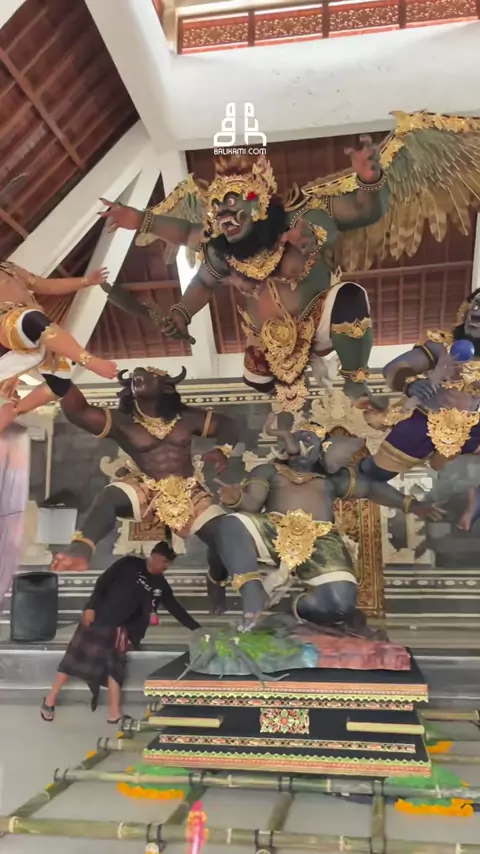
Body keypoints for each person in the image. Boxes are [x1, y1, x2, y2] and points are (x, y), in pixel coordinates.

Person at [99, 111, 480, 412]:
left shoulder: (310, 212)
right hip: (266, 342)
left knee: (350, 295)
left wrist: (370, 178)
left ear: (259, 201)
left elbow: (366, 211)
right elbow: (197, 267)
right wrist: (180, 312)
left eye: (231, 202)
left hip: (321, 320)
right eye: (216, 206)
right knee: (259, 384)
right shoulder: (220, 246)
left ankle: (355, 381)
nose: (220, 212)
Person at [50, 365, 239, 574]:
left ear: (165, 386)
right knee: (111, 495)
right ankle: (79, 551)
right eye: (135, 377)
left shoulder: (187, 417)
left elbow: (229, 425)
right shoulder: (122, 422)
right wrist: (58, 369)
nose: (138, 376)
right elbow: (78, 412)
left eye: (147, 376)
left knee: (226, 535)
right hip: (147, 487)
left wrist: (223, 449)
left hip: (189, 492)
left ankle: (217, 577)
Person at [41, 541, 200, 723]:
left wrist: (197, 629)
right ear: (154, 556)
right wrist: (91, 606)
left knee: (115, 670)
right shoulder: (129, 564)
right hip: (99, 620)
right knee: (72, 662)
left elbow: (175, 608)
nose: (166, 566)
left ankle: (114, 713)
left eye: (169, 563)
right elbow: (103, 582)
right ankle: (49, 700)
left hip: (122, 631)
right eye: (164, 561)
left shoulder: (160, 585)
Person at [0, 261, 117, 432]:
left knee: (60, 383)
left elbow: (44, 285)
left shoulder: (8, 267)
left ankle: (14, 410)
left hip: (36, 333)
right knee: (31, 318)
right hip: (9, 327)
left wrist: (86, 281)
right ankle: (89, 360)